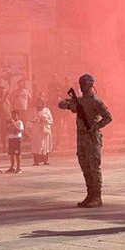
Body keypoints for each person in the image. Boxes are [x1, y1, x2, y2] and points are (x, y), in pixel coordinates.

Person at [58, 74, 113, 207]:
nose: (81, 86)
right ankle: (90, 194)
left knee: (94, 168)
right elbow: (61, 104)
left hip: (92, 137)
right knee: (85, 168)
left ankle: (97, 197)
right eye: (80, 84)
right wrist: (70, 106)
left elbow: (108, 117)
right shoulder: (79, 100)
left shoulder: (95, 101)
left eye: (83, 84)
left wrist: (96, 126)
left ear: (89, 85)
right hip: (81, 137)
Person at [32, 97, 54, 165]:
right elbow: (30, 118)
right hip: (37, 130)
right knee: (37, 145)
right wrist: (36, 119)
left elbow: (51, 120)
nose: (39, 103)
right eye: (38, 102)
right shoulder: (34, 110)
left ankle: (45, 160)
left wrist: (46, 120)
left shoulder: (47, 110)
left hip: (45, 130)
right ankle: (36, 161)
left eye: (40, 102)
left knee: (45, 144)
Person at [6, 109, 25, 174]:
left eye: (15, 115)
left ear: (18, 115)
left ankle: (18, 167)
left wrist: (14, 124)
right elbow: (8, 130)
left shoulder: (20, 122)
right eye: (12, 115)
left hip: (17, 139)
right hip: (11, 138)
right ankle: (12, 167)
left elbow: (20, 130)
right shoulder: (10, 122)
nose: (14, 116)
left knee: (17, 154)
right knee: (11, 154)